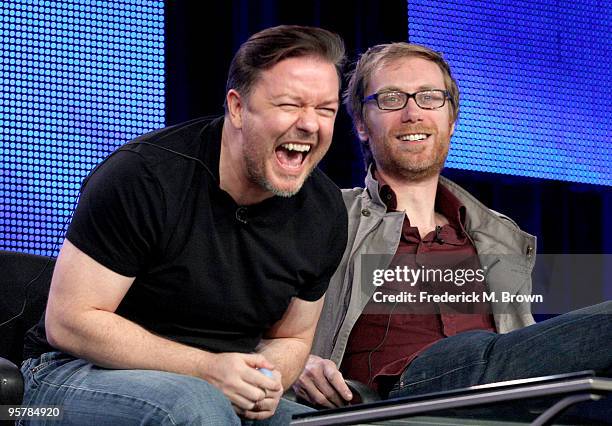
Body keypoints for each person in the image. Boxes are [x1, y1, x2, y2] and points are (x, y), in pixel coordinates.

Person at [20, 25, 348, 425]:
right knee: (194, 407)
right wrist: (206, 368)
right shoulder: (145, 176)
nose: (310, 125)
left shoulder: (325, 210)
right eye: (290, 105)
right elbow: (70, 322)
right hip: (65, 377)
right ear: (238, 108)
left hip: (216, 385)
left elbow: (291, 338)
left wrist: (263, 380)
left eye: (325, 110)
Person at [293, 42, 611, 408]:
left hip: (510, 397)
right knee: (475, 351)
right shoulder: (328, 215)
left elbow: (525, 348)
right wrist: (296, 363)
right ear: (362, 125)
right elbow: (248, 324)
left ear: (451, 119)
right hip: (393, 396)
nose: (413, 113)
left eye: (429, 97)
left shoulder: (499, 236)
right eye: (392, 98)